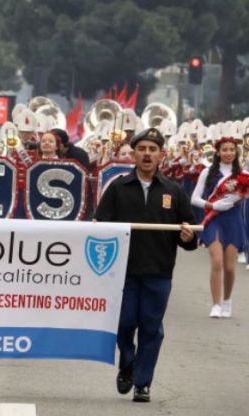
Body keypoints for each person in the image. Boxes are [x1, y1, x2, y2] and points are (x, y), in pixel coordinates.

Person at [94, 127, 197, 403]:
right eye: (142, 149)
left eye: (153, 149)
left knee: (152, 329)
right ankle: (127, 363)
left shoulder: (174, 190)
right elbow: (100, 227)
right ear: (134, 154)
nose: (147, 154)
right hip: (123, 273)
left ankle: (142, 382)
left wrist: (188, 237)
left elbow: (189, 236)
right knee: (125, 324)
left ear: (161, 155)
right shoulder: (117, 187)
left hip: (159, 272)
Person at [190, 136, 247, 318]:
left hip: (233, 219)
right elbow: (194, 198)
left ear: (236, 152)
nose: (229, 153)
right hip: (214, 218)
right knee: (216, 262)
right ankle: (216, 304)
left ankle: (227, 301)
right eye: (225, 150)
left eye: (232, 150)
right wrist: (212, 206)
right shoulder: (208, 172)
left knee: (229, 267)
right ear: (218, 152)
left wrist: (237, 198)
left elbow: (244, 193)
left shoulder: (243, 173)